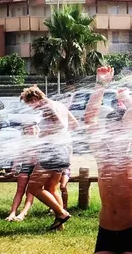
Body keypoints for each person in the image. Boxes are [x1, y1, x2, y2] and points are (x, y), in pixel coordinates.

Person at [84, 66, 132, 254]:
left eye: (120, 131)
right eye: (111, 131)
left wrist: (128, 99)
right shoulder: (102, 154)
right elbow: (90, 119)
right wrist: (101, 85)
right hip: (106, 228)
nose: (115, 136)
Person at [20, 85, 78, 231]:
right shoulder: (59, 104)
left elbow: (59, 125)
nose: (31, 108)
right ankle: (60, 225)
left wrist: (43, 136)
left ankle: (61, 213)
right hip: (63, 149)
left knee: (33, 186)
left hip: (52, 150)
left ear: (34, 99)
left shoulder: (46, 105)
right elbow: (74, 124)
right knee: (51, 188)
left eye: (30, 104)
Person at [6, 123, 37, 222]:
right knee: (20, 189)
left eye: (31, 129)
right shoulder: (22, 143)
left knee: (30, 191)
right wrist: (14, 169)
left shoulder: (40, 141)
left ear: (36, 129)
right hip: (25, 166)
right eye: (27, 129)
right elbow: (17, 157)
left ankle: (23, 213)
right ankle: (12, 212)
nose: (30, 131)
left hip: (37, 167)